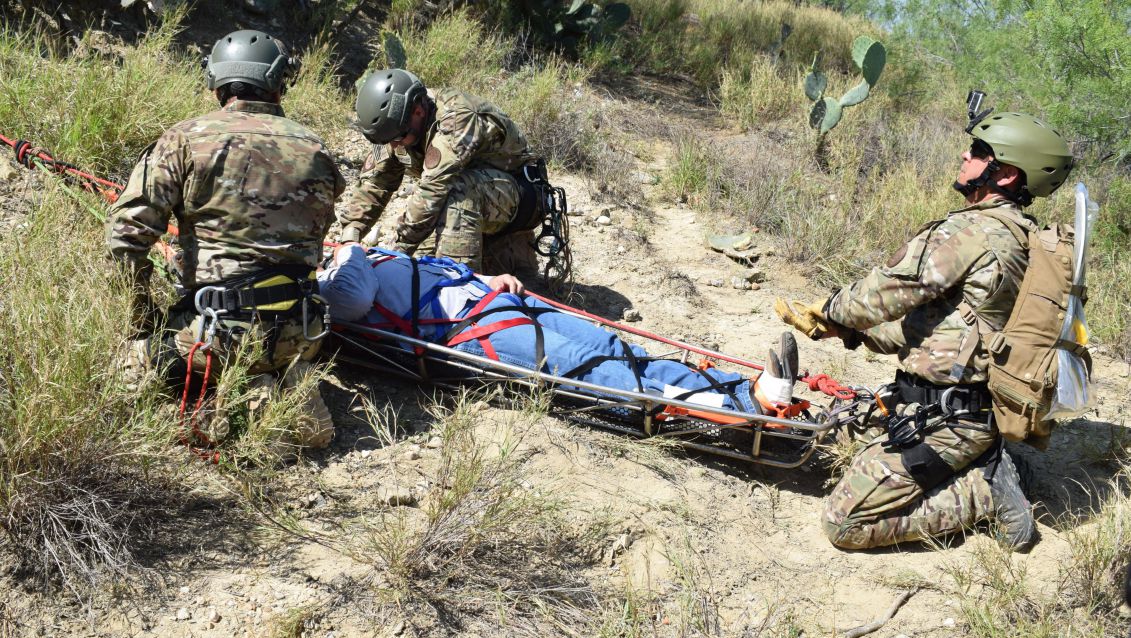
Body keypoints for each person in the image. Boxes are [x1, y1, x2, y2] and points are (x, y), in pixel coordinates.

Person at [776, 110, 1074, 550]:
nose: (965, 154)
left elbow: (886, 292)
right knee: (838, 436)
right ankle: (994, 462)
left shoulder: (974, 232)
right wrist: (847, 333)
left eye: (978, 151)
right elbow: (943, 332)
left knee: (845, 524)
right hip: (956, 410)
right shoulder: (1023, 236)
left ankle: (985, 493)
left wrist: (832, 309)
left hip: (951, 421)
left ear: (1006, 174)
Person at [107, 29, 345, 449]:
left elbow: (126, 237)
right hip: (304, 330)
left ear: (215, 82)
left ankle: (238, 396)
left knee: (123, 371)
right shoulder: (316, 148)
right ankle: (278, 379)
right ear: (278, 82)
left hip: (219, 332)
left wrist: (141, 323)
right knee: (264, 338)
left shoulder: (185, 138)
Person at [320, 243, 797, 413]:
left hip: (497, 300)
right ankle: (739, 409)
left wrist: (490, 278)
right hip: (472, 332)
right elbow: (355, 297)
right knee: (594, 372)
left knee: (614, 346)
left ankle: (742, 387)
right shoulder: (332, 281)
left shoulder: (364, 256)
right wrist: (350, 245)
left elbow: (435, 274)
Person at [337, 68, 547, 275]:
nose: (393, 146)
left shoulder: (457, 118)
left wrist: (397, 250)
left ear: (418, 112)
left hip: (523, 196)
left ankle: (463, 291)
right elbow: (376, 182)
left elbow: (432, 191)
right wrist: (350, 235)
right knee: (417, 268)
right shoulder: (397, 125)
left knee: (457, 189)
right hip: (479, 192)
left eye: (397, 139)